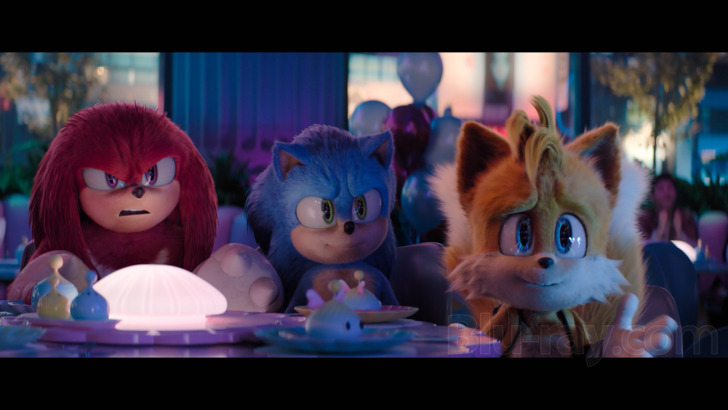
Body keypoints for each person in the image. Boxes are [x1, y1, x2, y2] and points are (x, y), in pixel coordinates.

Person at [638, 173, 698, 247]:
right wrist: (660, 230)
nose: (666, 193)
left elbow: (695, 246)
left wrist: (679, 233)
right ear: (651, 196)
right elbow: (641, 247)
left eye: (670, 188)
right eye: (661, 188)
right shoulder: (644, 218)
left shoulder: (686, 217)